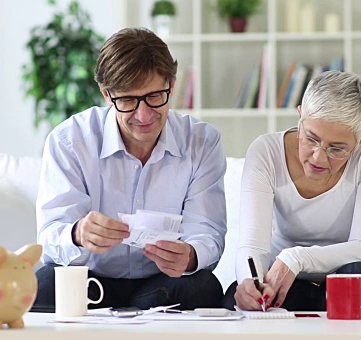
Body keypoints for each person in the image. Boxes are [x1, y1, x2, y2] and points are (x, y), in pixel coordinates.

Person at [33, 27, 227, 319]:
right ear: (107, 95)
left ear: (171, 85)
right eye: (128, 100)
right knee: (45, 284)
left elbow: (207, 231)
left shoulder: (201, 141)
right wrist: (77, 234)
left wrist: (190, 256)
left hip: (159, 286)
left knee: (204, 287)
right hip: (92, 283)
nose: (144, 115)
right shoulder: (70, 141)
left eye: (154, 96)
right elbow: (50, 235)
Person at [221, 71, 361, 312]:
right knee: (235, 295)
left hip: (351, 278)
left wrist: (296, 258)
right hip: (289, 283)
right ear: (300, 116)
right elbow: (254, 245)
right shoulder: (266, 152)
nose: (318, 157)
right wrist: (250, 283)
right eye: (310, 138)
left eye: (337, 149)